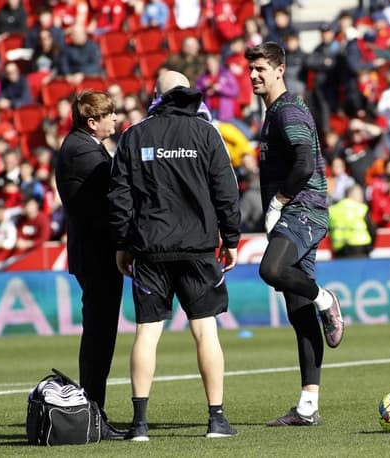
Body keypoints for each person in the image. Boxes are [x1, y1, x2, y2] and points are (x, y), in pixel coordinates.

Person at [108, 71, 241, 441]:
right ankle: (216, 420)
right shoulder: (207, 133)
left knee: (147, 334)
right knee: (205, 331)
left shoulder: (134, 135)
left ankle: (139, 425)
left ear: (156, 95)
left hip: (150, 248)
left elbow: (119, 198)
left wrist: (123, 244)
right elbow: (226, 190)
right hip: (198, 248)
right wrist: (230, 238)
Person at [244, 42, 344, 427]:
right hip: (294, 212)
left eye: (261, 69)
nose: (254, 76)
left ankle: (327, 298)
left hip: (303, 209)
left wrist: (277, 203)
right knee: (298, 313)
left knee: (271, 270)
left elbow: (304, 161)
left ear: (280, 69)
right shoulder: (272, 113)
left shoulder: (287, 109)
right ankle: (308, 406)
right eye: (251, 70)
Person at [55, 90, 124, 439]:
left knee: (101, 333)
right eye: (110, 115)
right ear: (92, 121)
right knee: (99, 335)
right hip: (96, 254)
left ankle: (95, 410)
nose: (116, 119)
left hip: (95, 252)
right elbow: (119, 181)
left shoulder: (84, 146)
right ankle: (93, 411)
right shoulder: (82, 150)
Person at [328, 184, 375, 258]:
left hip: (340, 251)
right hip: (360, 250)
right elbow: (372, 230)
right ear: (350, 195)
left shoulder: (332, 210)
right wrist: (371, 247)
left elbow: (329, 231)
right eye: (359, 194)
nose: (361, 197)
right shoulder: (362, 208)